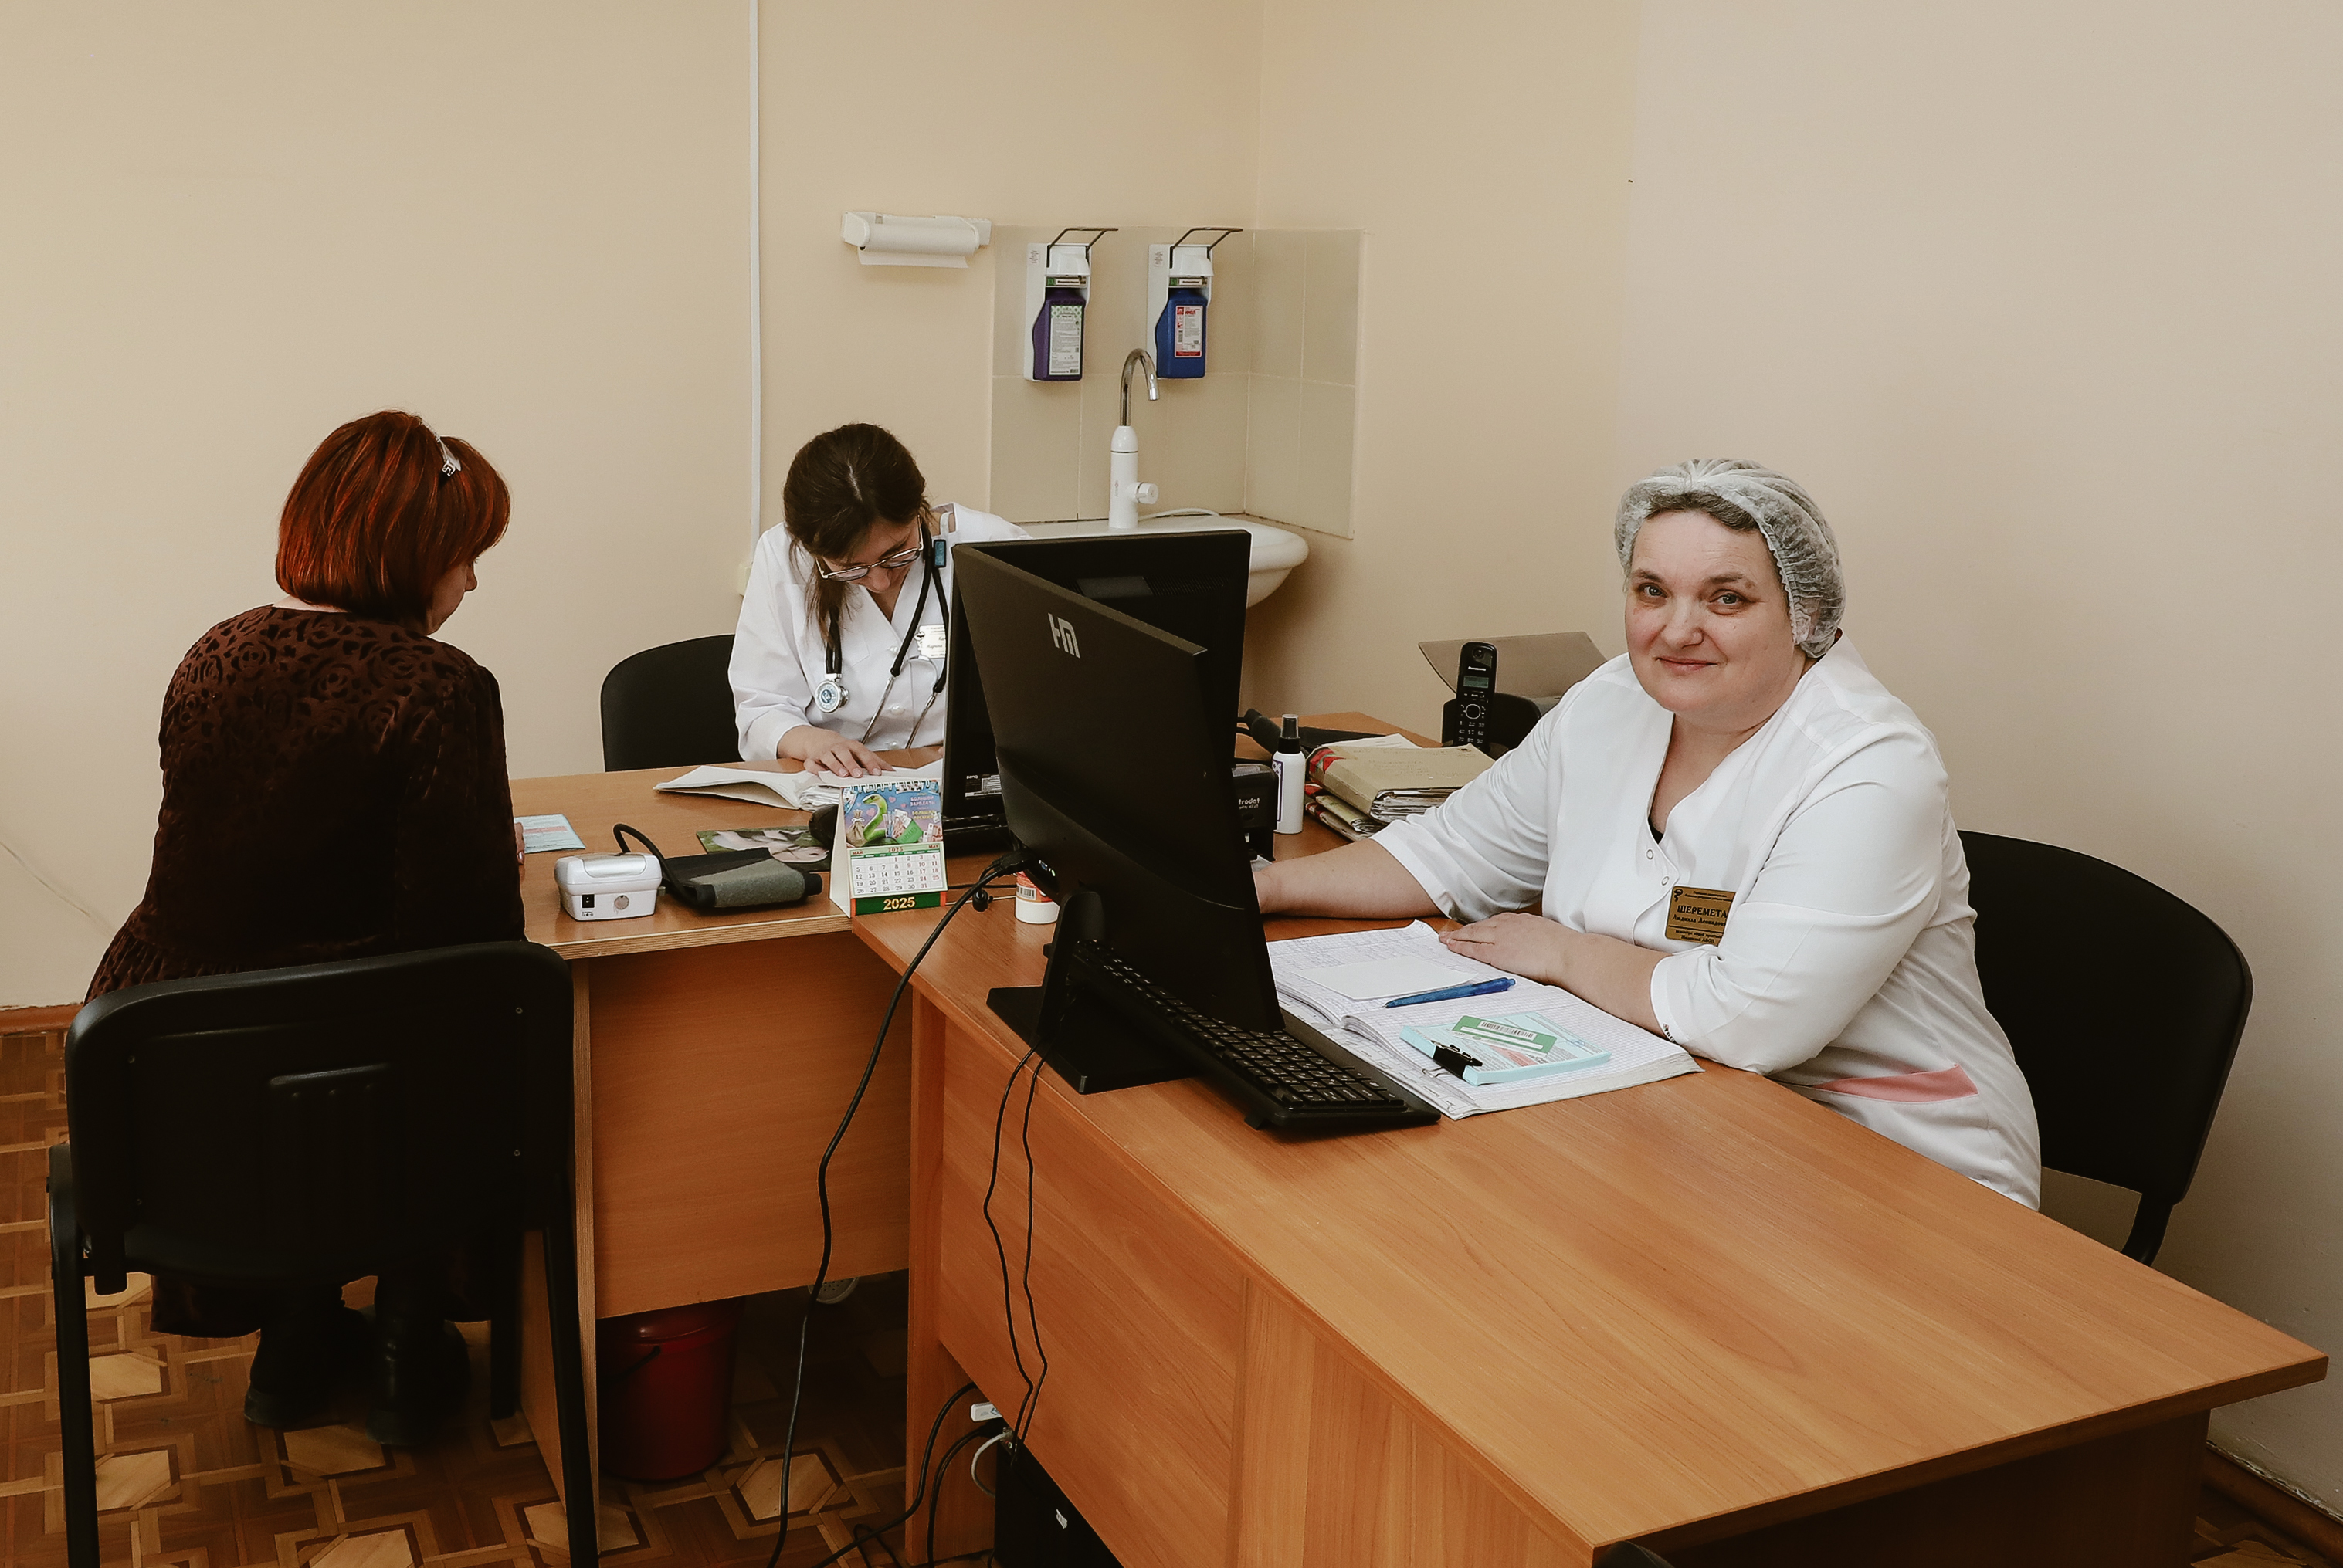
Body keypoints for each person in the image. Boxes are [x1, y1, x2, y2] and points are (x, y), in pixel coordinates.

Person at [1256, 459, 2041, 1205]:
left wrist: (1565, 953)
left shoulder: (1869, 767)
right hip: (1674, 1111)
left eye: (1726, 599)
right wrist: (1268, 886)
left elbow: (1748, 1022)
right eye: (1651, 591)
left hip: (1893, 1153)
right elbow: (1450, 852)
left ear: (1805, 614)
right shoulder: (1611, 704)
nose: (1676, 630)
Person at [88, 409, 523, 1441]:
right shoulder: (441, 687)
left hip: (179, 1074)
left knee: (312, 1028)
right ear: (419, 553)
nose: (472, 581)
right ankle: (406, 1342)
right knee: (460, 1029)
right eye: (468, 554)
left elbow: (245, 874)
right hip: (355, 1085)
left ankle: (293, 1332)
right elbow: (469, 938)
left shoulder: (217, 652)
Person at [731, 423, 1026, 776]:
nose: (879, 579)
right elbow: (762, 706)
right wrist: (815, 742)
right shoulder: (784, 558)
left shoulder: (992, 547)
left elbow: (1045, 692)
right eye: (851, 568)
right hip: (832, 789)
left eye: (897, 551)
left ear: (918, 509)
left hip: (959, 783)